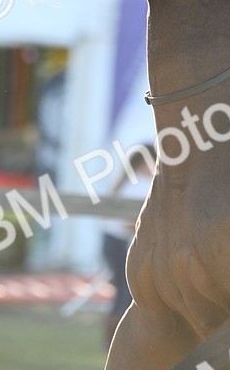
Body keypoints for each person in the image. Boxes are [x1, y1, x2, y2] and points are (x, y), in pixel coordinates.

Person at [101, 145, 155, 351]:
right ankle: (118, 343)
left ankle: (113, 343)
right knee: (126, 293)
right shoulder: (139, 185)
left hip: (115, 240)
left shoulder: (126, 182)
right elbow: (129, 221)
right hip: (121, 241)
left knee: (122, 293)